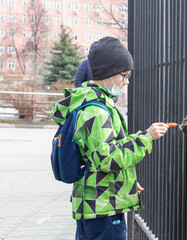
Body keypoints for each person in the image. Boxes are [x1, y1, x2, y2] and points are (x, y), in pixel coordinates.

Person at [51, 36, 169, 240]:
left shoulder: (95, 103)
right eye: (124, 75)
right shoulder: (96, 111)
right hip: (101, 207)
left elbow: (103, 150)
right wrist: (147, 138)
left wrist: (127, 182)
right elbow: (108, 158)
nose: (126, 81)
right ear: (107, 73)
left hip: (97, 202)